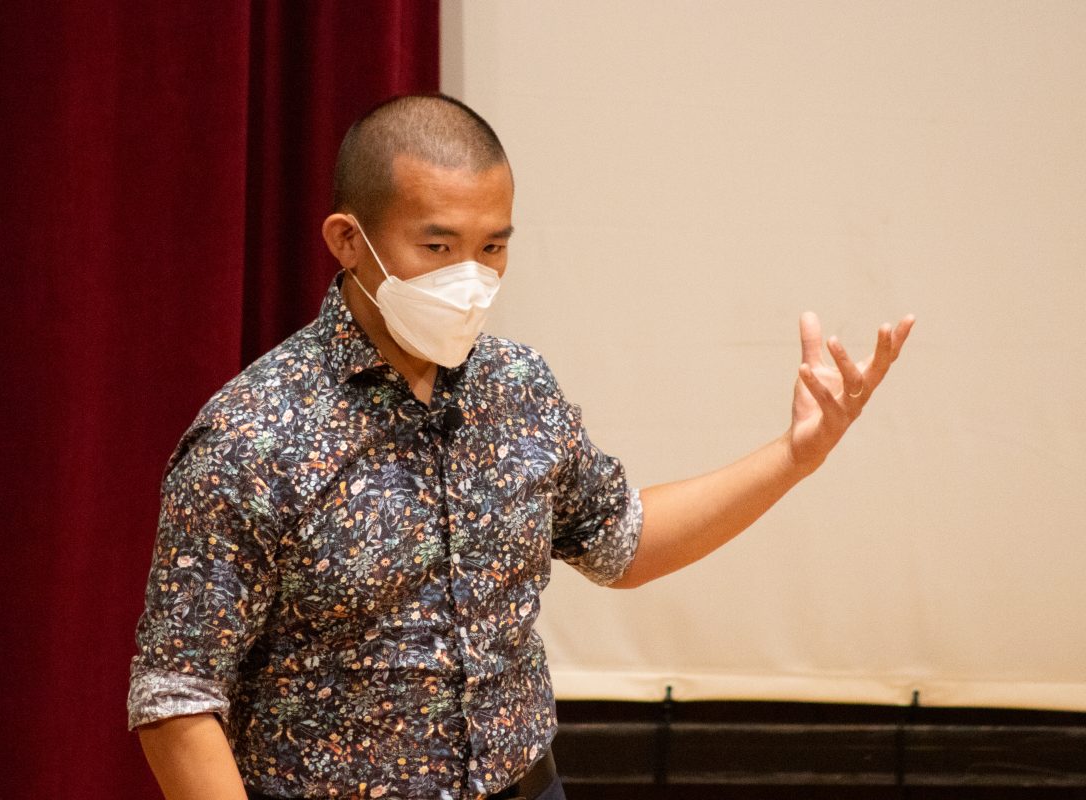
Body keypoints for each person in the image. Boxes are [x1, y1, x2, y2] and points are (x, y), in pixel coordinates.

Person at [128, 93, 914, 800]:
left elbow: (624, 542)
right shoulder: (253, 435)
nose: (470, 278)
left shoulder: (517, 385)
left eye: (493, 247)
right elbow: (176, 696)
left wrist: (794, 456)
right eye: (437, 249)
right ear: (348, 240)